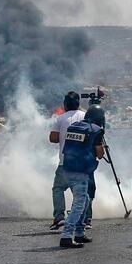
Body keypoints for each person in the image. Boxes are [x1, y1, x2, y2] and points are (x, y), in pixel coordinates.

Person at [59, 105, 106, 249]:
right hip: (81, 171)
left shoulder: (74, 126)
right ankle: (66, 236)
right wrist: (101, 144)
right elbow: (100, 154)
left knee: (85, 199)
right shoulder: (95, 130)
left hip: (67, 168)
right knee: (80, 202)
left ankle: (79, 232)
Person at [49, 92, 85, 230]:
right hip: (82, 163)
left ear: (65, 105)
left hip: (65, 163)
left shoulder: (60, 119)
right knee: (83, 192)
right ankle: (85, 219)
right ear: (78, 103)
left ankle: (59, 218)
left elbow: (53, 138)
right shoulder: (85, 116)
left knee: (58, 188)